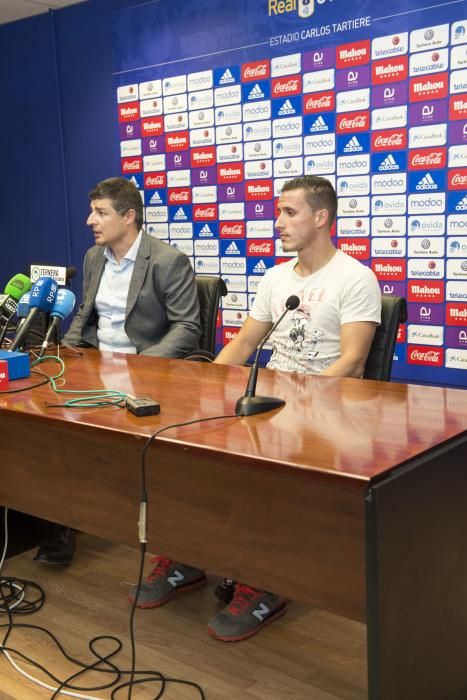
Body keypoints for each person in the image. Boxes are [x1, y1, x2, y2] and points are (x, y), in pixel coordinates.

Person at [130, 175, 382, 643]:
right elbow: (245, 341)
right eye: (279, 211)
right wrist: (201, 383)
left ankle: (267, 583)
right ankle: (186, 555)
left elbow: (353, 360)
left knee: (261, 476)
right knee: (186, 448)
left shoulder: (355, 277)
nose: (278, 222)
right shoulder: (275, 277)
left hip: (325, 414)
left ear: (321, 217)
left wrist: (294, 402)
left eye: (290, 212)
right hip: (268, 403)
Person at [34, 176, 201, 565]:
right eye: (92, 211)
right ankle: (64, 525)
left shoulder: (166, 260)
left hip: (147, 371)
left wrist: (138, 367)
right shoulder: (95, 258)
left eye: (100, 212)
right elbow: (84, 316)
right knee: (53, 426)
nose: (90, 220)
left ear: (129, 217)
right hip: (97, 367)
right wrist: (66, 356)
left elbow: (187, 328)